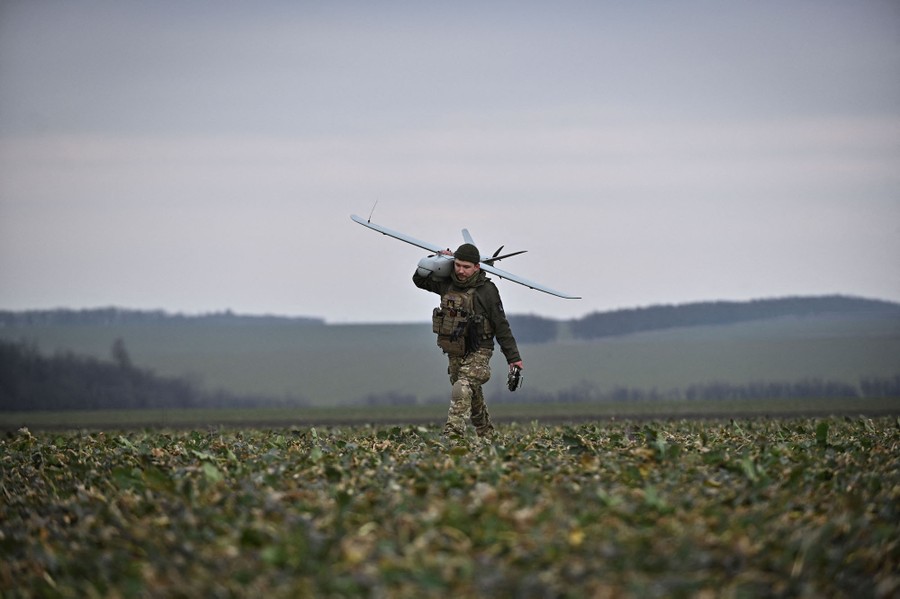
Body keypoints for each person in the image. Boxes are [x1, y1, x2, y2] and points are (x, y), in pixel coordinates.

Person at [413, 242, 523, 440]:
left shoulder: (487, 290)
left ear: (477, 267)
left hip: (480, 348)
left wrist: (513, 358)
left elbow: (501, 325)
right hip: (456, 348)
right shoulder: (447, 283)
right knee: (470, 394)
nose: (461, 271)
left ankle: (453, 435)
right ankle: (486, 434)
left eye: (466, 267)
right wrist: (437, 260)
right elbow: (419, 280)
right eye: (457, 265)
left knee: (462, 387)